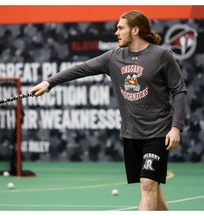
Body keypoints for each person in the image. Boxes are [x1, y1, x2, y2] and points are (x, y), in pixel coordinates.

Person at [29, 10, 187, 211]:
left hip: (157, 132)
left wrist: (176, 127)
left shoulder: (161, 55)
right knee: (152, 187)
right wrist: (49, 82)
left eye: (121, 28)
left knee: (147, 185)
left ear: (136, 30)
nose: (116, 32)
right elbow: (81, 68)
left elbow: (179, 90)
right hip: (131, 133)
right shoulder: (113, 57)